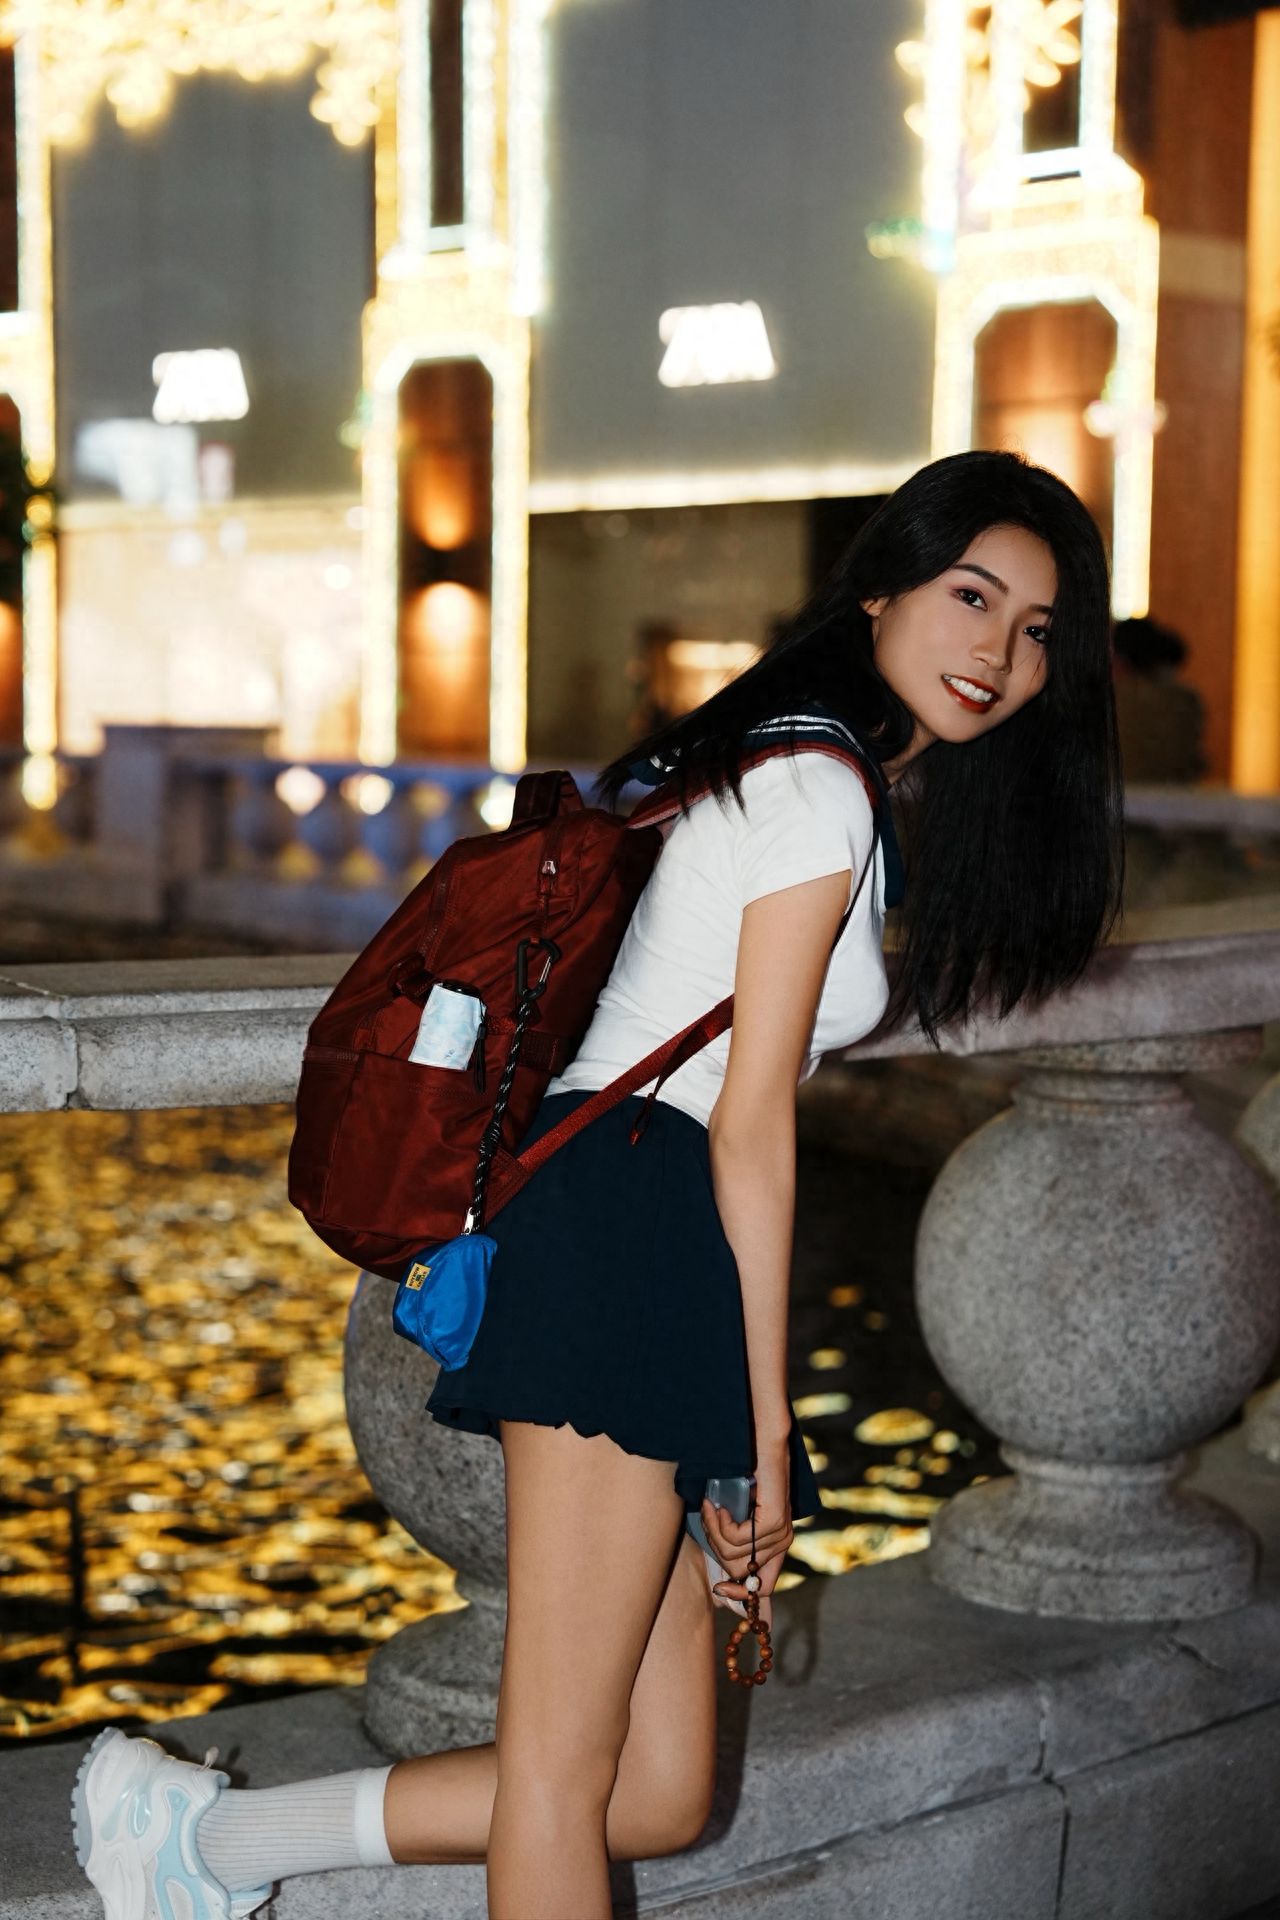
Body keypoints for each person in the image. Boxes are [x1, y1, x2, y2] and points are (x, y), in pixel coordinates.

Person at [70, 448, 1124, 1920]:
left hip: (644, 1236)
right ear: (878, 587)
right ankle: (177, 1838)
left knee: (656, 1788)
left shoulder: (820, 773)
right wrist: (762, 1420)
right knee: (570, 1781)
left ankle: (194, 1842)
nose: (1000, 652)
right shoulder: (816, 782)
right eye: (971, 597)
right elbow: (752, 1118)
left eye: (1035, 632)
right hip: (630, 1225)